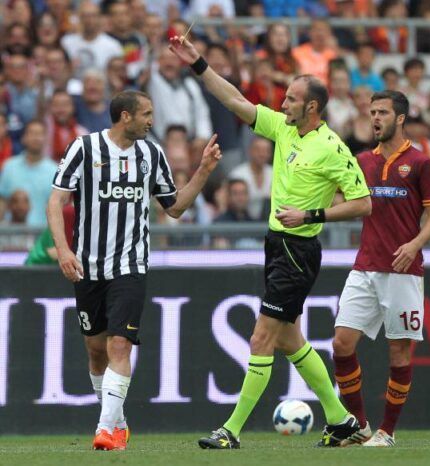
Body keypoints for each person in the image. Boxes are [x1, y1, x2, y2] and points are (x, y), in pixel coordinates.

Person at [169, 34, 372, 449]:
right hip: (276, 246)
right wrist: (198, 63)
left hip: (299, 251)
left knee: (261, 338)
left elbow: (364, 203)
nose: (283, 104)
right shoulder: (284, 129)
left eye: (292, 100)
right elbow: (235, 101)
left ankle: (231, 431)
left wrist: (310, 215)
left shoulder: (332, 147)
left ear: (312, 107)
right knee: (288, 340)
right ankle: (341, 420)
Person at [46, 90, 221, 451]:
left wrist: (203, 171)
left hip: (130, 265)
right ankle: (119, 423)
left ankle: (105, 430)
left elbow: (173, 208)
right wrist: (64, 250)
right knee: (96, 350)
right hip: (87, 266)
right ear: (125, 116)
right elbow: (56, 200)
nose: (151, 120)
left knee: (119, 344)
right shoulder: (85, 148)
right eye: (146, 114)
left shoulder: (151, 154)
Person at [331, 90, 430, 447]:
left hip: (402, 270)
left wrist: (414, 245)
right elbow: (341, 198)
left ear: (400, 118)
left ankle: (387, 432)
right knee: (341, 344)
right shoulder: (362, 160)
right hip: (364, 266)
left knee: (399, 352)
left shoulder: (421, 163)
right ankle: (361, 425)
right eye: (372, 112)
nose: (374, 118)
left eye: (382, 112)